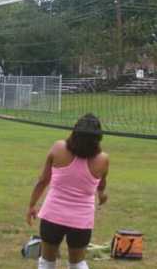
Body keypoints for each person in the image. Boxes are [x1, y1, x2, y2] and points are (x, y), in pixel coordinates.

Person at [27, 114, 109, 269]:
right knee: (77, 263)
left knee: (47, 261)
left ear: (75, 131)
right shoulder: (103, 159)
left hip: (53, 215)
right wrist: (102, 196)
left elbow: (43, 180)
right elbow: (101, 186)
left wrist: (31, 205)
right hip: (81, 220)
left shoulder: (58, 148)